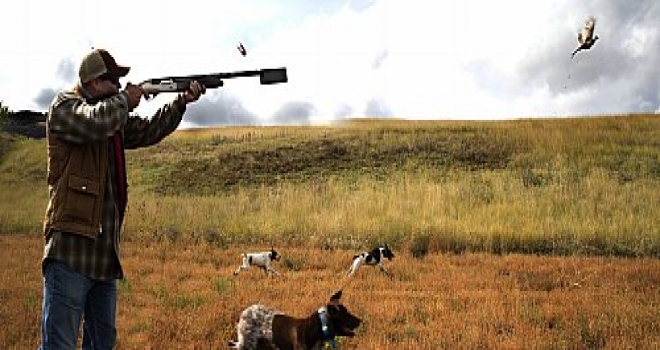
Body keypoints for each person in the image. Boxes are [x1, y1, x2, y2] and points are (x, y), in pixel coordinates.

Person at [39, 48, 206, 349]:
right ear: (92, 83)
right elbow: (94, 122)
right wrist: (127, 100)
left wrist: (181, 102)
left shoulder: (113, 119)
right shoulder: (65, 108)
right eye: (112, 81)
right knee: (58, 345)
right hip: (70, 252)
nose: (119, 87)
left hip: (104, 257)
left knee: (102, 344)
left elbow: (149, 131)